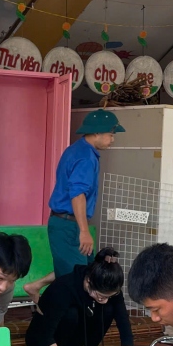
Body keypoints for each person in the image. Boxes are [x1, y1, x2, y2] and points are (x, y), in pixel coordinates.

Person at [48, 109, 124, 277]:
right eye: (110, 134)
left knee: (83, 269)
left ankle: (35, 285)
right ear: (97, 133)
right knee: (76, 278)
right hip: (69, 225)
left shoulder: (77, 149)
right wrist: (84, 231)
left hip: (66, 222)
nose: (113, 139)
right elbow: (77, 194)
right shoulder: (85, 158)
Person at [25, 248, 135, 346]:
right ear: (88, 282)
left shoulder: (110, 288)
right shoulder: (64, 287)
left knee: (108, 309)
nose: (105, 300)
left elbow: (125, 328)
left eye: (109, 296)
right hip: (41, 343)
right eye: (101, 296)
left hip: (72, 341)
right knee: (71, 313)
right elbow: (44, 336)